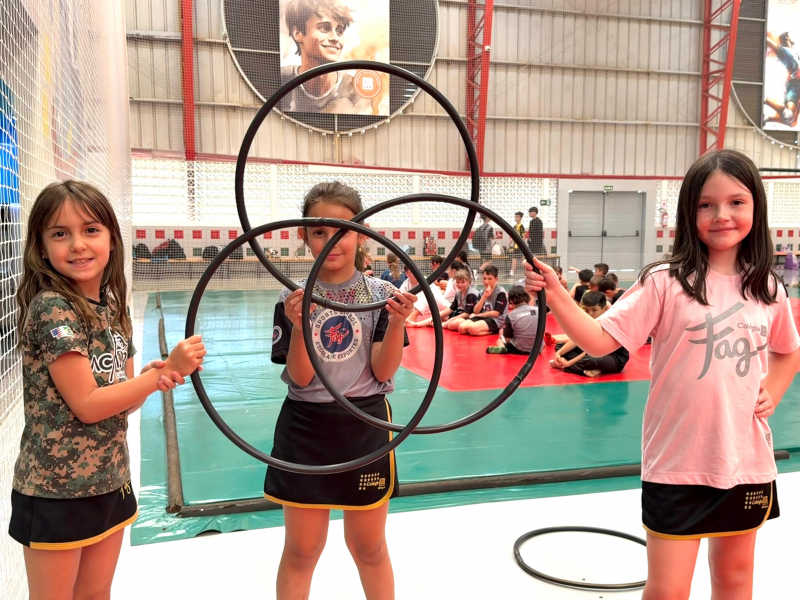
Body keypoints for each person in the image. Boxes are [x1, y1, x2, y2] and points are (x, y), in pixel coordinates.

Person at [525, 149, 800, 599]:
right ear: (689, 212)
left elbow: (788, 351)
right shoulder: (665, 281)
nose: (722, 215)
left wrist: (775, 388)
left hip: (746, 463)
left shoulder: (766, 287)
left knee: (734, 579)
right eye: (706, 204)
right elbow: (601, 341)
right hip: (678, 465)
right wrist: (557, 297)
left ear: (757, 207)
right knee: (668, 589)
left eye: (736, 202)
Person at [9, 181, 205, 599]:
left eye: (91, 230)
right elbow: (87, 405)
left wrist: (152, 379)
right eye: (60, 233)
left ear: (112, 239)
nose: (78, 244)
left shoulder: (113, 308)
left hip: (109, 480)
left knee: (96, 593)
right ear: (41, 247)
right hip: (56, 491)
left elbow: (121, 401)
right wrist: (163, 372)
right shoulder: (53, 308)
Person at [267, 182, 416, 599]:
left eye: (343, 231)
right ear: (304, 236)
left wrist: (398, 323)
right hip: (306, 427)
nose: (330, 241)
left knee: (368, 547)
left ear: (361, 235)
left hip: (364, 426)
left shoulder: (382, 295)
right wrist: (300, 326)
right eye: (319, 231)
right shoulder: (292, 296)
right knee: (301, 550)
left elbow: (382, 370)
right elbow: (300, 377)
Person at [281, 0, 372, 114]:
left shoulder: (354, 90)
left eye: (339, 31)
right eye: (325, 28)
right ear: (297, 33)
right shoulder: (280, 80)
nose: (335, 38)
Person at [548, 292, 629, 377]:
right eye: (587, 310)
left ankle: (565, 366)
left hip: (613, 357)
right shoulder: (588, 320)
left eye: (594, 310)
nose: (590, 314)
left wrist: (569, 363)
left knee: (593, 359)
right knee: (560, 346)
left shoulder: (609, 322)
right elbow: (577, 340)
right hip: (592, 352)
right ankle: (593, 368)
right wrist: (559, 353)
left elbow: (591, 351)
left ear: (604, 308)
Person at [486, 286, 544, 355]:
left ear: (511, 301)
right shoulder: (538, 310)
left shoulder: (511, 315)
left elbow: (507, 339)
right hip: (538, 349)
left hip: (519, 349)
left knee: (500, 340)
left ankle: (502, 348)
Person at [457, 265, 508, 336]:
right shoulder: (482, 292)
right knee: (461, 328)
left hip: (496, 320)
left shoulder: (500, 292)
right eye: (484, 278)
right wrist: (484, 297)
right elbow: (476, 311)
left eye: (489, 279)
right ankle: (480, 329)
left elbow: (495, 313)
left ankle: (494, 331)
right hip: (484, 317)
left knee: (472, 329)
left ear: (496, 279)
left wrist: (478, 315)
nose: (486, 281)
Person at [764, 32, 800, 127]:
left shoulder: (793, 53)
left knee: (791, 120)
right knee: (789, 116)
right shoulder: (788, 52)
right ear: (787, 39)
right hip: (796, 82)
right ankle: (764, 98)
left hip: (794, 82)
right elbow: (777, 47)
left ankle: (766, 117)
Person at [403, 263, 451, 328]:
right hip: (437, 313)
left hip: (443, 307)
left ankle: (414, 315)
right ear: (406, 274)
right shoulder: (405, 284)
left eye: (416, 271)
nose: (415, 273)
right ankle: (413, 315)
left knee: (429, 295)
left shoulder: (426, 281)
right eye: (412, 272)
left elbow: (434, 297)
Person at [508, 211, 526, 277]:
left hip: (520, 246)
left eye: (517, 217)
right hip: (515, 246)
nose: (516, 218)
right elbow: (513, 236)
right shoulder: (514, 227)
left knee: (523, 260)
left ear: (521, 218)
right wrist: (509, 244)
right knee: (514, 259)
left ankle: (527, 272)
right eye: (515, 217)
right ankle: (511, 273)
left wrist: (522, 245)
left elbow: (524, 236)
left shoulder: (521, 226)